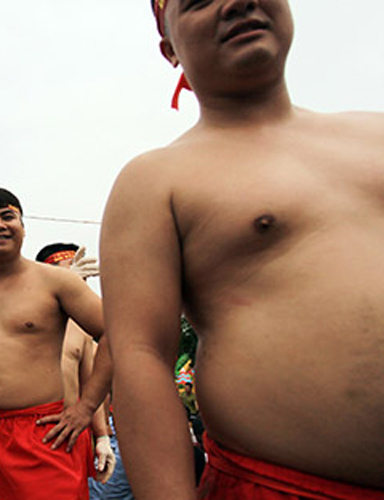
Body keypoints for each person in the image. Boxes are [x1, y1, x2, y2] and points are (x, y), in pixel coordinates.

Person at [100, 2, 384, 499]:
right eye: (199, 1)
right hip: (281, 483)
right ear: (169, 47)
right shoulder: (156, 180)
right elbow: (141, 358)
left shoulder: (375, 133)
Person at [0, 187, 111, 500]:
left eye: (8, 216)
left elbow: (111, 334)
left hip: (42, 431)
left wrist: (86, 408)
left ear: (23, 227)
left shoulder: (57, 283)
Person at [36, 243, 128, 498]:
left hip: (71, 432)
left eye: (84, 277)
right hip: (25, 430)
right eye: (71, 273)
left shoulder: (86, 329)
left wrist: (101, 437)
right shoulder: (22, 319)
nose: (79, 284)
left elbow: (91, 387)